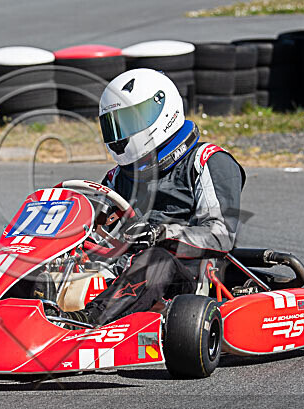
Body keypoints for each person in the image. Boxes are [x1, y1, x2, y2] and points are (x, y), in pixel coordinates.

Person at [63, 68, 247, 326]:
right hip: (122, 272)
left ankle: (88, 321)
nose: (120, 135)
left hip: (188, 280)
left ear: (163, 112)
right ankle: (7, 314)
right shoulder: (118, 177)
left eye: (128, 122)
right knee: (50, 261)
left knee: (155, 259)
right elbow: (96, 230)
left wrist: (161, 234)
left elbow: (221, 235)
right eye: (114, 125)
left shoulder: (207, 161)